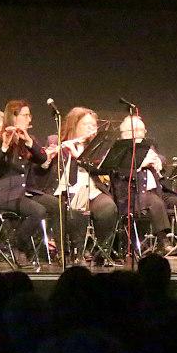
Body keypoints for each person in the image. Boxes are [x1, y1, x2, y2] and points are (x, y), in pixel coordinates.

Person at [0, 100, 58, 264]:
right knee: (38, 211)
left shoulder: (28, 139)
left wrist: (29, 141)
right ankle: (17, 245)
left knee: (56, 205)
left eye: (29, 115)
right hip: (7, 195)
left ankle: (40, 247)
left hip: (26, 193)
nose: (29, 119)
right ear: (13, 117)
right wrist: (5, 146)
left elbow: (42, 158)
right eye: (25, 115)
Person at [53, 107, 118, 261]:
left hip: (93, 192)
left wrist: (78, 156)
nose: (91, 128)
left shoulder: (99, 148)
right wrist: (61, 150)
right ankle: (76, 252)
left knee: (108, 207)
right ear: (74, 126)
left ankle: (101, 251)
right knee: (74, 212)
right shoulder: (58, 143)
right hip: (66, 193)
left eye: (93, 125)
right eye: (86, 125)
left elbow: (102, 170)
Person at [115, 115, 177, 251]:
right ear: (126, 133)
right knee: (156, 203)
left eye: (142, 131)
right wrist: (141, 164)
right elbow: (119, 172)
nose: (140, 134)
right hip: (133, 193)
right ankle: (163, 241)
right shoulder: (120, 149)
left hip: (157, 190)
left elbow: (161, 158)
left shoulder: (148, 145)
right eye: (136, 130)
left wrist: (159, 161)